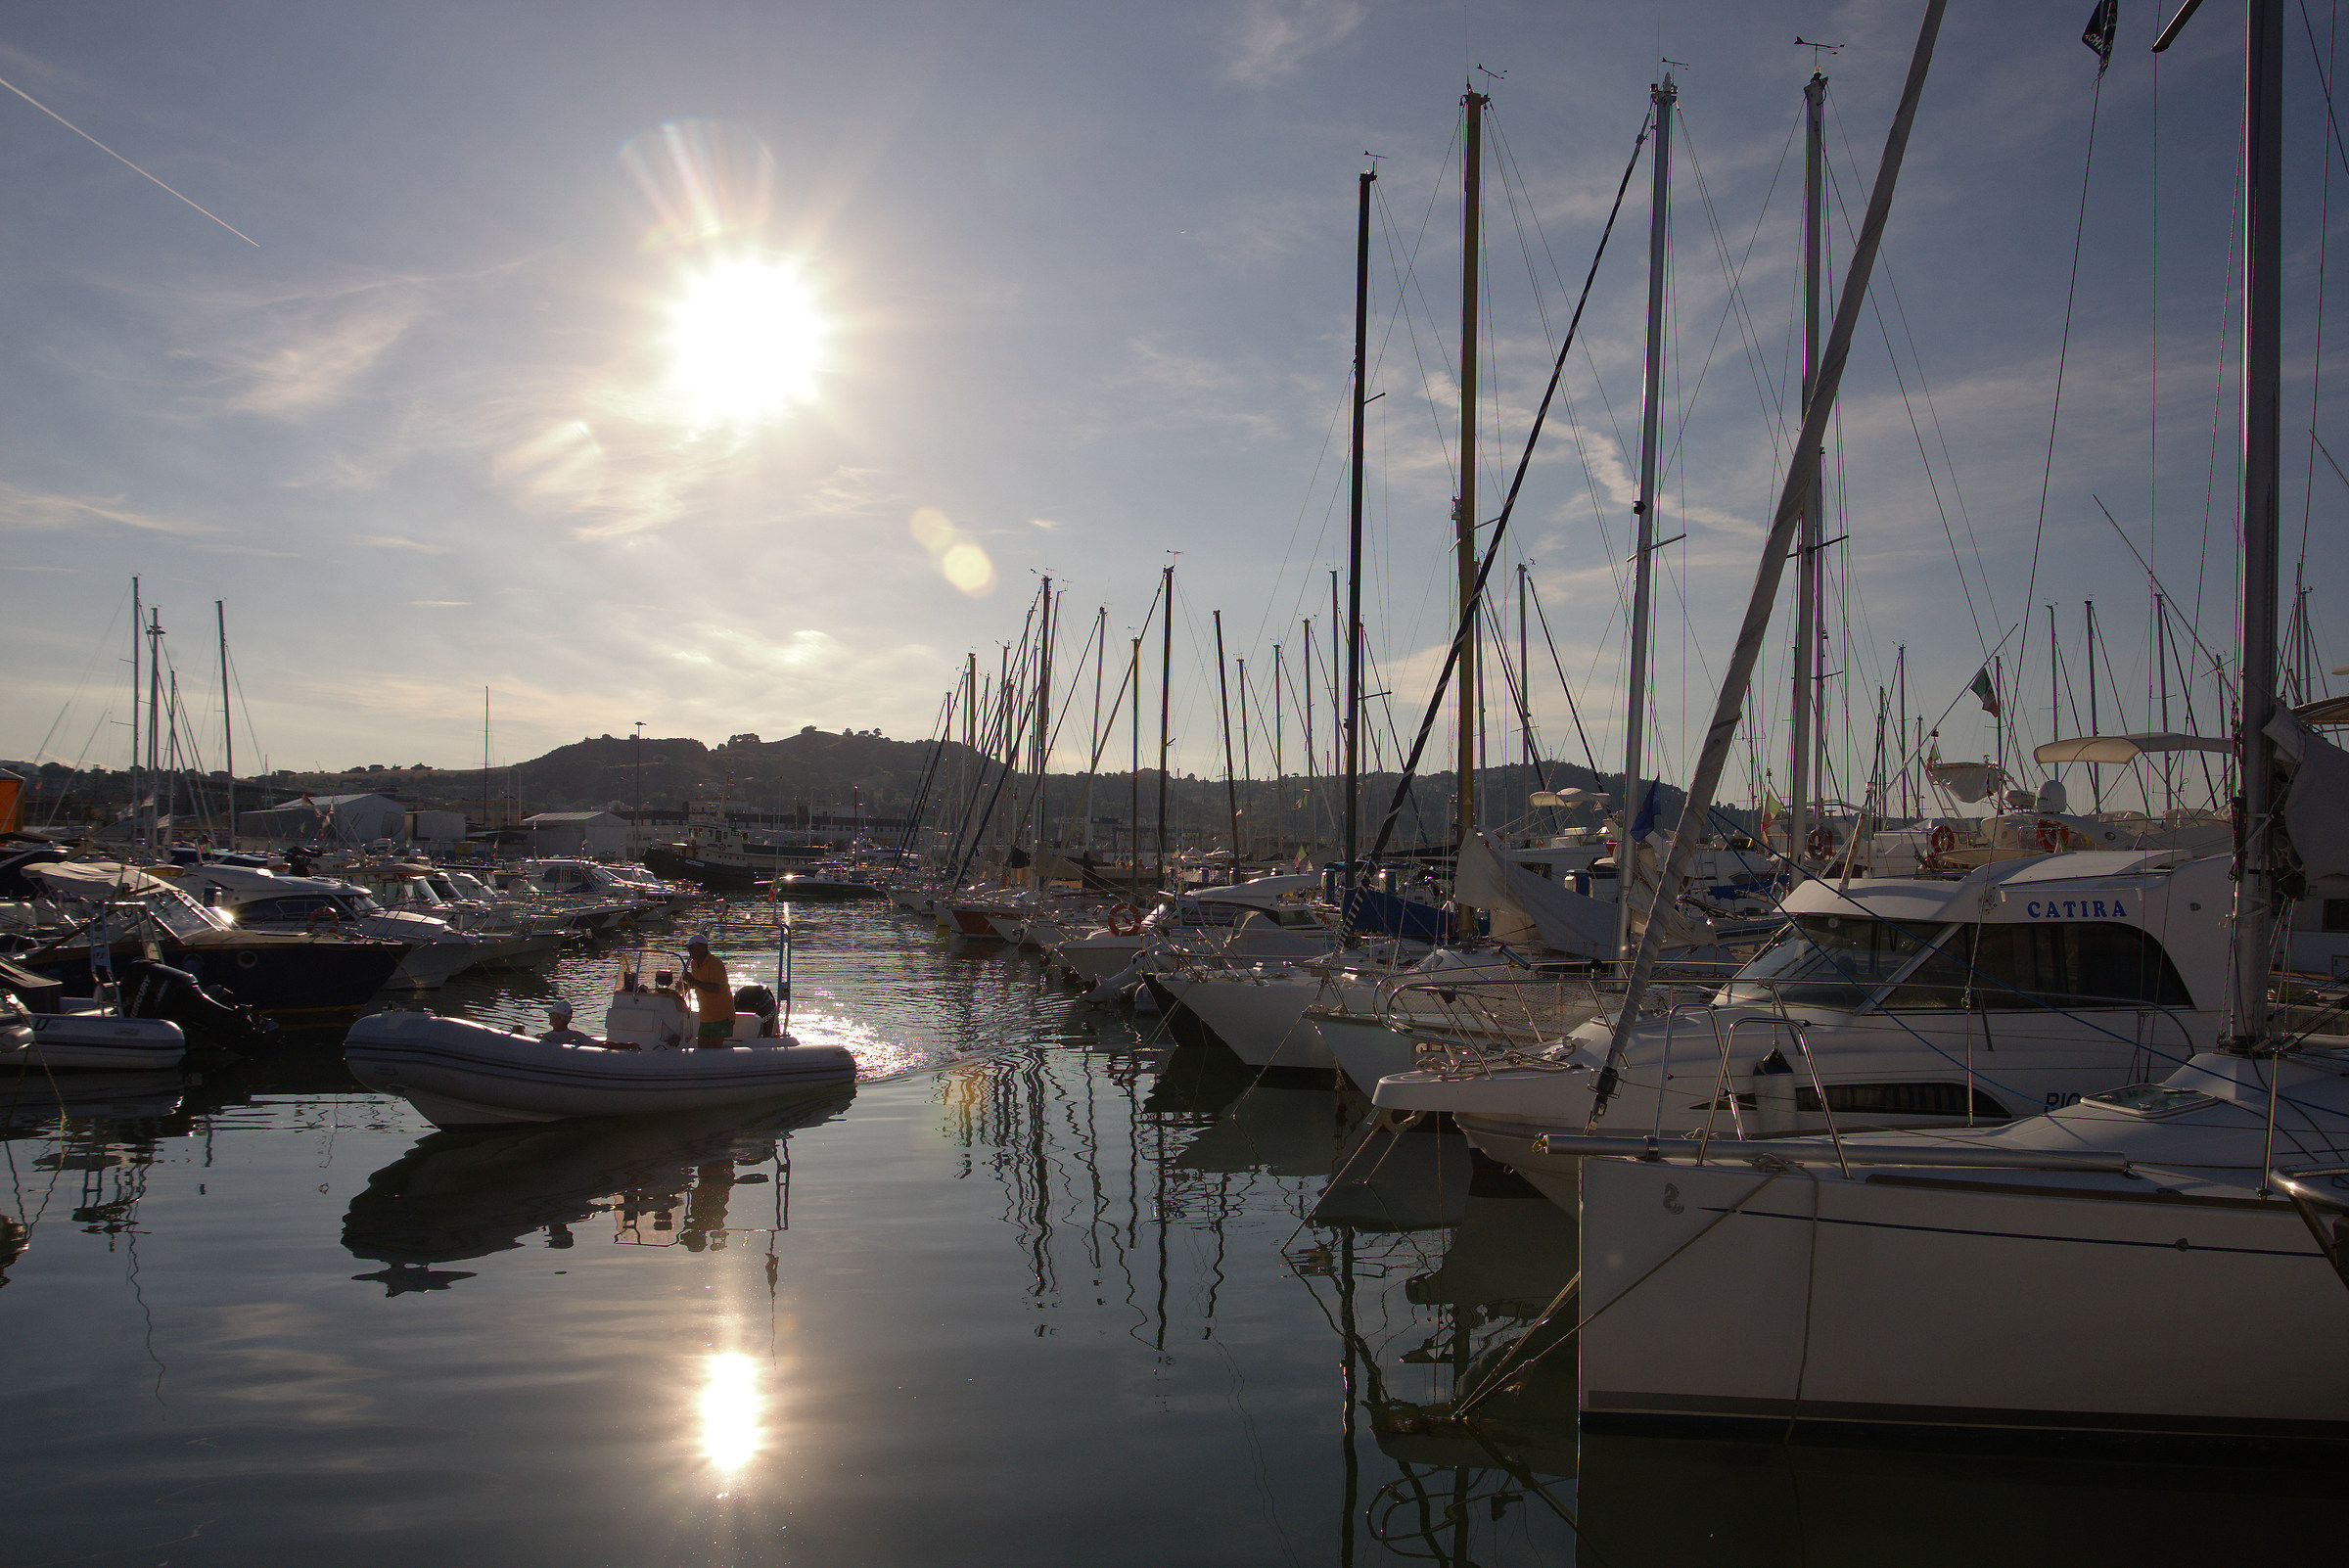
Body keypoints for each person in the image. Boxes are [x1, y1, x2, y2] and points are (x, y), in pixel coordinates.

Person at [681, 933, 736, 1045]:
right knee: (702, 1045)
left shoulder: (715, 964)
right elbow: (698, 984)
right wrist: (686, 985)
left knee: (714, 1046)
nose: (689, 951)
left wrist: (693, 981)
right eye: (688, 948)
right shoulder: (694, 963)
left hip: (720, 1015)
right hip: (706, 1015)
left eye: (691, 948)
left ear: (702, 948)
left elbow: (715, 988)